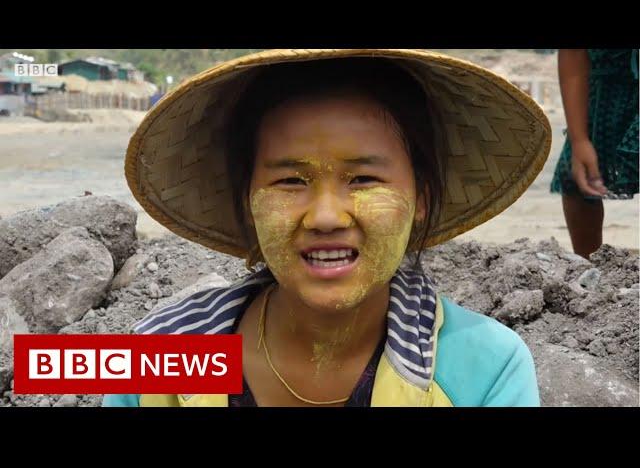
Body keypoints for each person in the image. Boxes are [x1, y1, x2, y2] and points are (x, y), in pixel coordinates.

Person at [104, 49, 551, 407]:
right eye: (291, 181)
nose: (325, 217)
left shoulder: (484, 369)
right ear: (248, 203)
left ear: (421, 200)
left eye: (362, 179)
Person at [551, 49, 639, 259]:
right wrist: (579, 140)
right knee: (577, 181)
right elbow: (572, 53)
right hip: (606, 82)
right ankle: (588, 269)